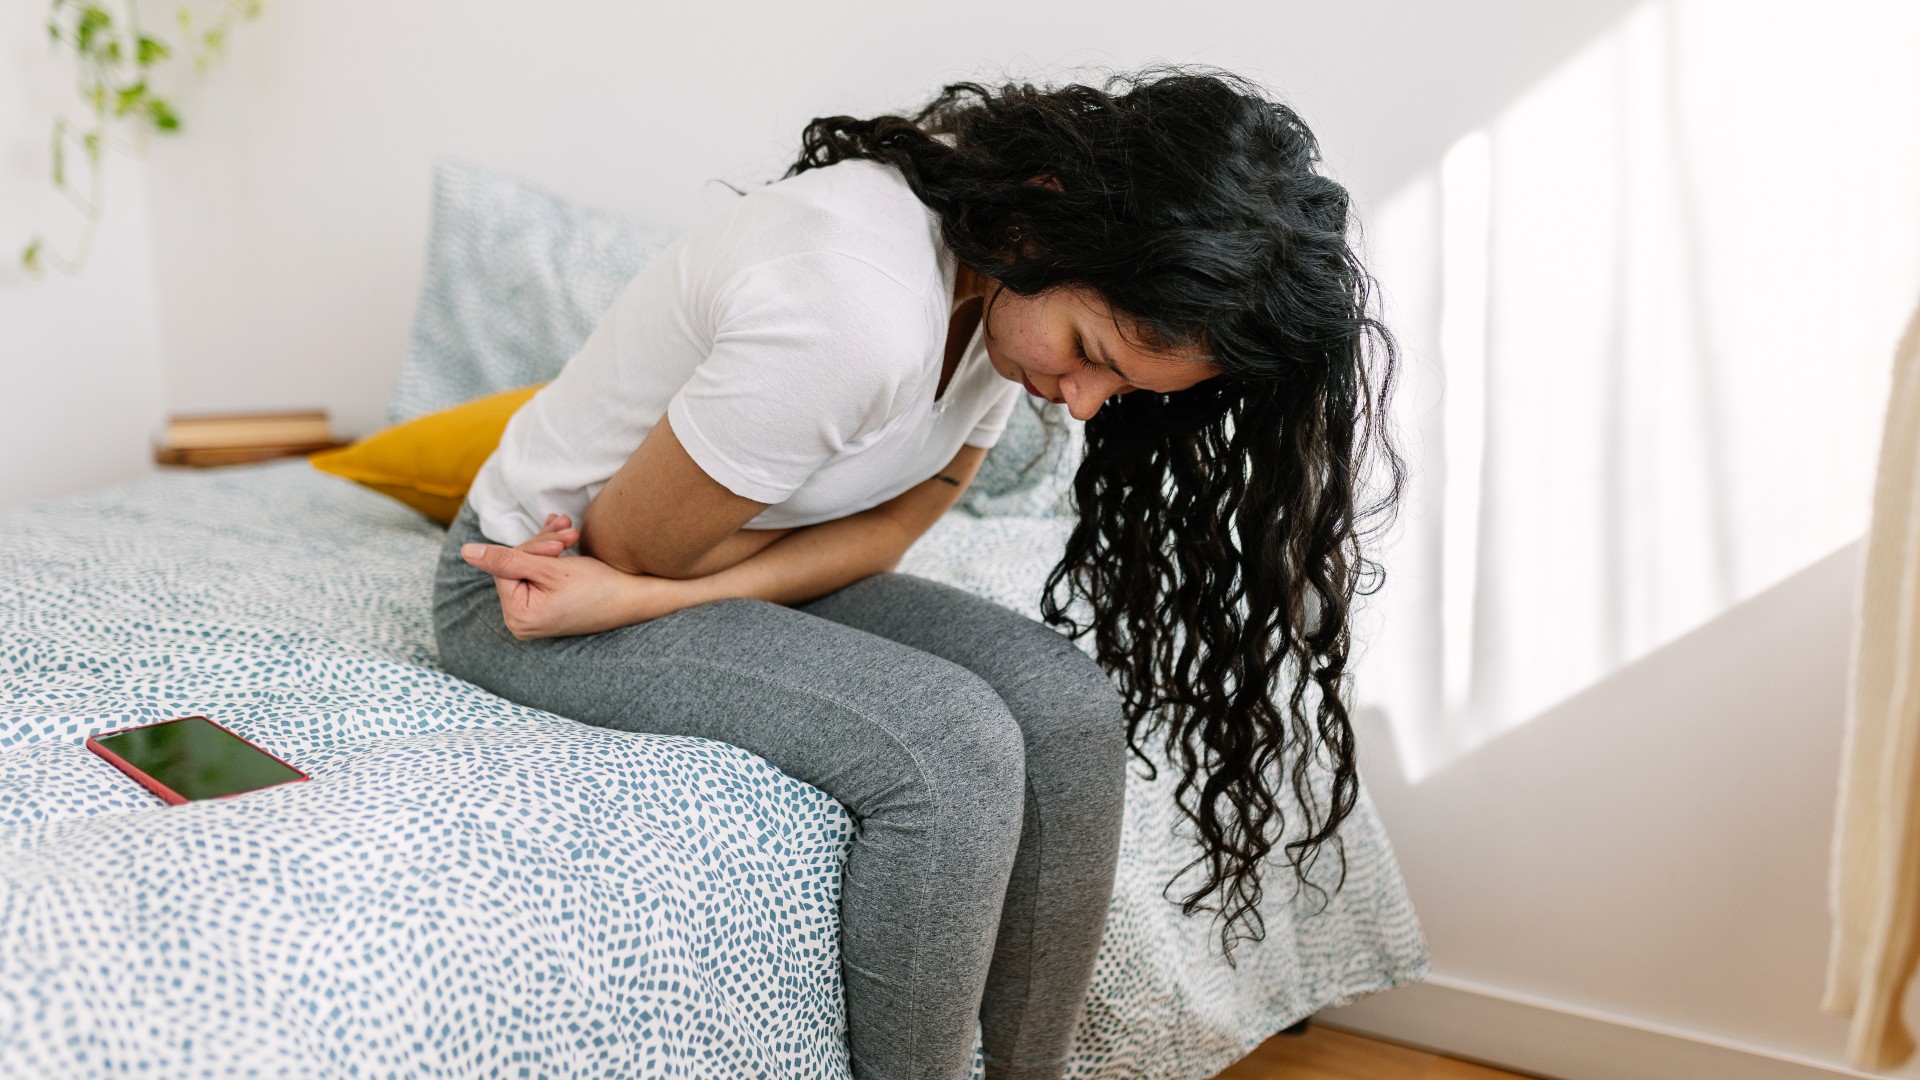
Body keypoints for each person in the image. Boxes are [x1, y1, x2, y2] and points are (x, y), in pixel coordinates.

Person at [433, 67, 1402, 1080]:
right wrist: (643, 590)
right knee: (952, 744)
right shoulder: (855, 308)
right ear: (1053, 217)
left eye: (1113, 383)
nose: (1078, 405)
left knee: (1065, 707)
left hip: (661, 574)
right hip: (536, 590)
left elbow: (900, 519)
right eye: (1089, 352)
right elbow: (631, 549)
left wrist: (660, 600)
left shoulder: (990, 276)